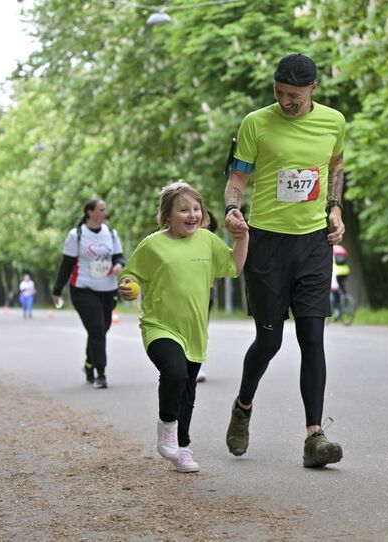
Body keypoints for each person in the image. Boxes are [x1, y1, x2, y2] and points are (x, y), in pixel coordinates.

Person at [223, 53, 347, 467]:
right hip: (267, 244)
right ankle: (243, 407)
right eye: (279, 93)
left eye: (294, 95)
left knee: (312, 338)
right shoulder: (256, 123)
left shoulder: (333, 122)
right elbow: (237, 177)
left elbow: (336, 164)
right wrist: (232, 209)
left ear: (313, 89)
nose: (285, 101)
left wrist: (335, 207)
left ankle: (315, 437)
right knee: (269, 341)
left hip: (313, 244)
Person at [118, 182, 248, 473]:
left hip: (194, 331)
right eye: (183, 210)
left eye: (196, 209)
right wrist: (128, 286)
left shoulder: (208, 241)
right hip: (159, 327)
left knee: (188, 391)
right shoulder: (152, 244)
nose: (192, 215)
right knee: (175, 372)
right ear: (167, 216)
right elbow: (131, 275)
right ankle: (167, 426)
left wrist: (243, 238)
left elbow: (234, 266)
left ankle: (183, 447)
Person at [52, 199, 125, 389]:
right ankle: (101, 374)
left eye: (105, 209)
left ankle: (89, 364)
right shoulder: (76, 235)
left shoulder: (111, 233)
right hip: (83, 289)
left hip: (108, 289)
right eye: (101, 209)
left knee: (100, 330)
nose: (105, 212)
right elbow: (66, 265)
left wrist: (118, 265)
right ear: (90, 212)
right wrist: (57, 290)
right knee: (97, 329)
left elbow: (119, 257)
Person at [197, 210, 219, 384]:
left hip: (206, 291)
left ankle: (197, 365)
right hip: (181, 291)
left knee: (200, 328)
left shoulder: (212, 242)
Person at [331, 244, 350, 318]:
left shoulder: (332, 253)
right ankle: (345, 298)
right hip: (345, 271)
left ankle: (337, 309)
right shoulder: (341, 253)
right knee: (341, 285)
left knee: (334, 289)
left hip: (337, 272)